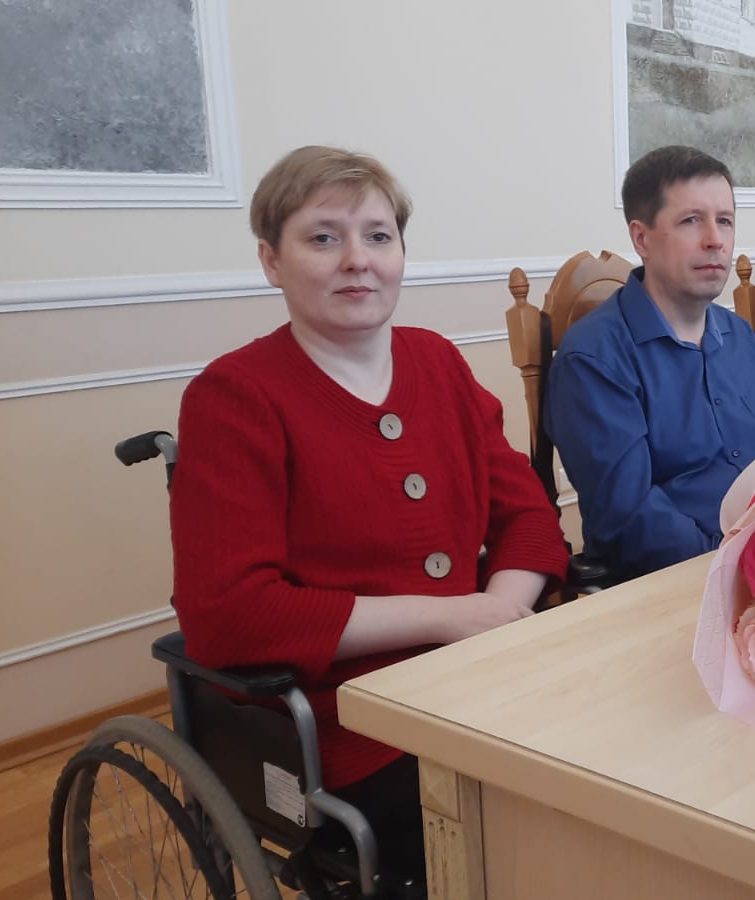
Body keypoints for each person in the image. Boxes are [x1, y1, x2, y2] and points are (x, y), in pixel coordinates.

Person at [170, 146, 569, 888]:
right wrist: (449, 618)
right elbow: (230, 614)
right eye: (323, 237)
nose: (357, 259)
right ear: (271, 260)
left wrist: (497, 616)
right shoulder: (235, 398)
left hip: (486, 680)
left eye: (378, 236)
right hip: (347, 728)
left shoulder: (438, 363)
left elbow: (529, 519)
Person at [545, 146, 755, 579]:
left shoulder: (739, 336)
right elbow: (629, 517)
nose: (715, 240)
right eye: (691, 220)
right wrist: (738, 567)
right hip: (677, 581)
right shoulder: (593, 357)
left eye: (725, 220)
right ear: (641, 238)